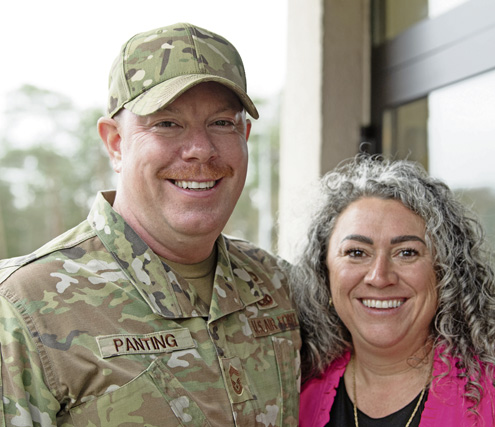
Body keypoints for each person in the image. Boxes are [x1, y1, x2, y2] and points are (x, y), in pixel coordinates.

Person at [0, 23, 300, 426]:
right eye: (166, 123)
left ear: (245, 135)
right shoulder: (23, 307)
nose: (200, 150)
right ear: (115, 143)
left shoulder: (278, 284)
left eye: (222, 123)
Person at [292, 155, 495, 426]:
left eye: (407, 252)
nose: (380, 276)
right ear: (325, 269)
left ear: (444, 271)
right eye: (356, 253)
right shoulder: (293, 394)